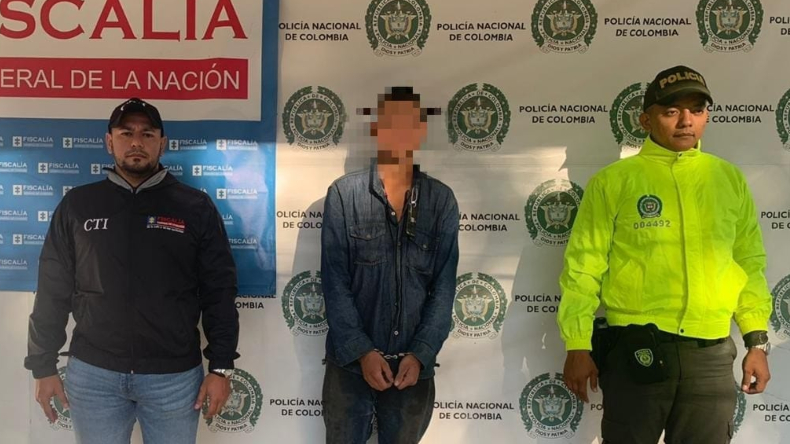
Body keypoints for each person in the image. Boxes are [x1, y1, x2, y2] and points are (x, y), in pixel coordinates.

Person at [557, 66, 772, 444]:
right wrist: (577, 343)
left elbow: (748, 263)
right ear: (646, 120)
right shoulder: (613, 181)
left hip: (710, 355)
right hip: (636, 350)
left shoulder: (728, 179)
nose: (686, 120)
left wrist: (756, 341)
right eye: (671, 111)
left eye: (697, 110)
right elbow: (583, 267)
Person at [24, 98, 240, 444]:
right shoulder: (78, 205)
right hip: (94, 376)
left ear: (162, 143)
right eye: (126, 133)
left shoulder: (195, 207)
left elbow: (220, 291)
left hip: (173, 379)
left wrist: (221, 366)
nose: (136, 142)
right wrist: (43, 364)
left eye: (147, 134)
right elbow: (52, 289)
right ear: (109, 141)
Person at [320, 86, 459, 444]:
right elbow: (334, 282)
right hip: (350, 366)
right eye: (390, 122)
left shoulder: (441, 201)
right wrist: (362, 352)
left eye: (409, 123)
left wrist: (422, 353)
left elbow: (444, 288)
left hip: (412, 370)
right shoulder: (343, 195)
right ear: (376, 129)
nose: (399, 132)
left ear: (421, 130)